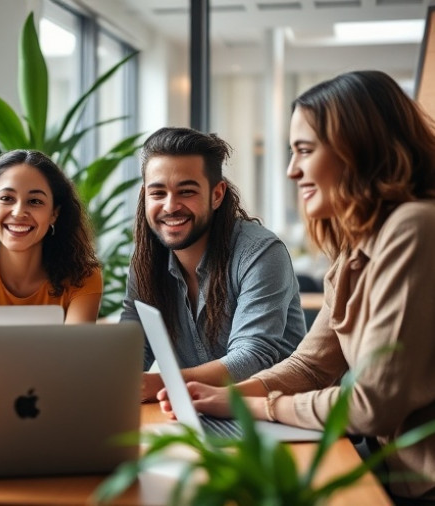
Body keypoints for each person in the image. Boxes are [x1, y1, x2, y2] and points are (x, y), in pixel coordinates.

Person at [166, 70, 435, 502]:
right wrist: (223, 397)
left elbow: (370, 406)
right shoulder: (356, 247)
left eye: (305, 151)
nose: (292, 171)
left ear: (357, 148)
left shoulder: (414, 227)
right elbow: (312, 366)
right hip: (392, 472)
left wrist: (258, 407)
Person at [121, 127, 305, 402]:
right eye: (158, 193)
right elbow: (133, 347)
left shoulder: (260, 252)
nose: (170, 206)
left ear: (217, 194)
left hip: (270, 414)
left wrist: (164, 382)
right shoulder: (147, 258)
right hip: (196, 413)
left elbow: (252, 357)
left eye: (186, 191)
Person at [0, 149, 102, 323]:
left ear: (54, 213)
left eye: (35, 201)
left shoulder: (82, 276)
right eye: (6, 198)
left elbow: (75, 342)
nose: (18, 212)